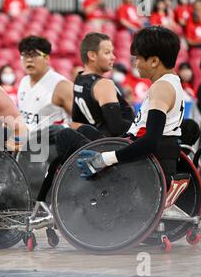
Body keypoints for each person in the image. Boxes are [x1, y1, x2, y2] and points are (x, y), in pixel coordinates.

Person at [76, 26, 185, 184]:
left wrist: (104, 159)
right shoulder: (173, 82)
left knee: (70, 137)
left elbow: (151, 141)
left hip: (145, 168)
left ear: (154, 61)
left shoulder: (161, 87)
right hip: (152, 158)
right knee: (85, 130)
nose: (135, 63)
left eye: (138, 58)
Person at [34, 32, 134, 203]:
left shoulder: (79, 80)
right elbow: (117, 127)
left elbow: (77, 121)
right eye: (107, 52)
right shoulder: (104, 84)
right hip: (112, 147)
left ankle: (40, 204)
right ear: (92, 55)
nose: (113, 57)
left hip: (92, 141)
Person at [16, 35, 74, 145]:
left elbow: (81, 123)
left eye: (34, 55)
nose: (28, 59)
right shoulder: (23, 81)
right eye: (24, 55)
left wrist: (62, 129)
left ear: (46, 58)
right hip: (27, 144)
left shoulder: (62, 86)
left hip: (52, 148)